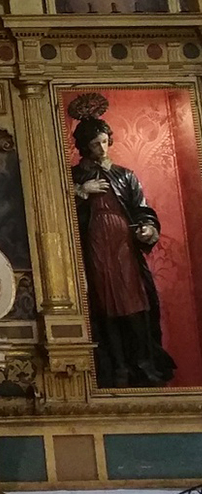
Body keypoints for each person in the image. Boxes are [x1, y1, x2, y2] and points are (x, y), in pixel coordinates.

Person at [68, 97, 176, 388]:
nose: (101, 149)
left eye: (104, 142)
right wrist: (80, 190)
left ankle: (142, 363)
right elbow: (58, 213)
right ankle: (116, 366)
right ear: (85, 148)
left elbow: (141, 209)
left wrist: (148, 229)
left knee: (134, 301)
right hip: (95, 245)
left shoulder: (124, 175)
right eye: (94, 144)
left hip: (123, 246)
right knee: (105, 304)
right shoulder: (74, 176)